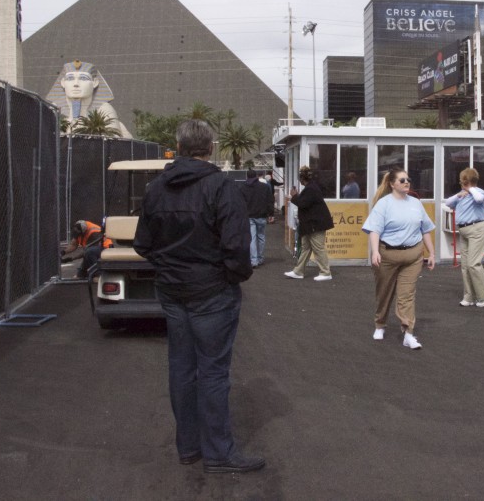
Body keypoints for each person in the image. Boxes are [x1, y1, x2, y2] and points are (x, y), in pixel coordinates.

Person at [132, 119, 264, 474]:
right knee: (213, 372)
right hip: (211, 291)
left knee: (181, 368)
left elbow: (143, 243)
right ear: (210, 147)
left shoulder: (156, 188)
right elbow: (236, 246)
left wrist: (169, 266)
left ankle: (188, 447)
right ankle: (219, 452)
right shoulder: (220, 186)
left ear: (179, 145)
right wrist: (231, 276)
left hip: (173, 291)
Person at [362, 167, 436, 349]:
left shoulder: (416, 203)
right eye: (402, 180)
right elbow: (374, 230)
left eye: (408, 179)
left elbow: (425, 229)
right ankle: (380, 323)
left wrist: (432, 252)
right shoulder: (383, 204)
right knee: (384, 292)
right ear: (392, 184)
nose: (407, 182)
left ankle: (408, 332)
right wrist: (375, 252)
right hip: (387, 255)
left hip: (413, 256)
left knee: (407, 295)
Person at [444, 167, 484, 307]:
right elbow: (448, 203)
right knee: (465, 265)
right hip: (464, 231)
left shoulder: (479, 192)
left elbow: (479, 199)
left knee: (473, 264)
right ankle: (469, 297)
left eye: (463, 181)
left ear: (467, 181)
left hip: (476, 228)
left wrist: (470, 188)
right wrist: (459, 195)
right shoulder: (462, 195)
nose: (461, 184)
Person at [46, 60, 132, 138]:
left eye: (83, 78)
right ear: (63, 83)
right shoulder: (54, 109)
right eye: (70, 78)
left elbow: (113, 138)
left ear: (95, 82)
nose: (76, 84)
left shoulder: (103, 108)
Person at [283, 166, 334, 281]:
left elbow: (303, 204)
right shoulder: (312, 187)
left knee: (318, 247)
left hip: (315, 224)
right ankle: (298, 271)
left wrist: (294, 196)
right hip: (311, 224)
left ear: (302, 178)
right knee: (306, 247)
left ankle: (326, 272)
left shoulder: (310, 189)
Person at [239, 169, 274, 268]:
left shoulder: (242, 187)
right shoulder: (265, 187)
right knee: (261, 237)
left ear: (247, 176)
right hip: (262, 215)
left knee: (252, 238)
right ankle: (260, 258)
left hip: (249, 216)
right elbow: (270, 201)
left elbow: (240, 203)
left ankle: (254, 260)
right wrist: (271, 214)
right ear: (256, 176)